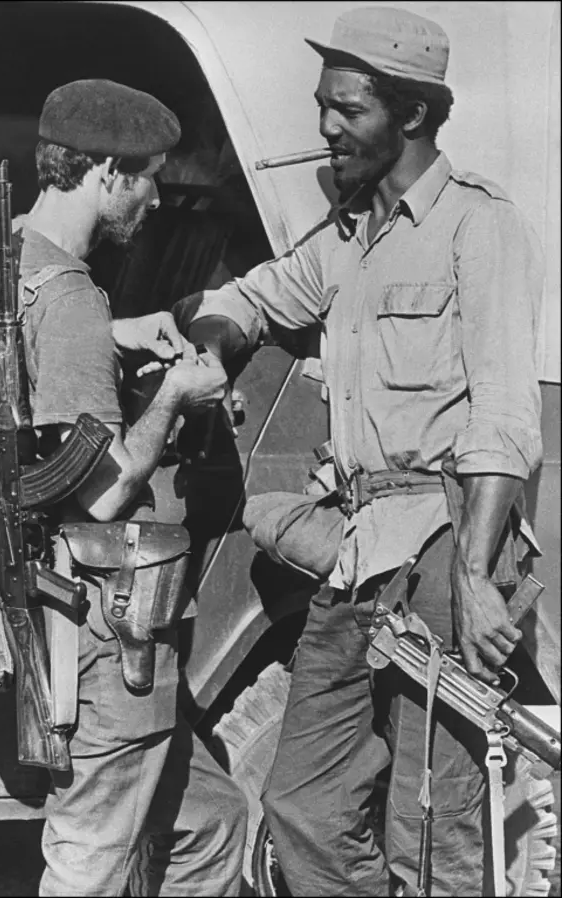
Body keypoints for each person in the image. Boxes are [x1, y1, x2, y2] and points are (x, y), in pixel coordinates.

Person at [170, 7, 544, 897]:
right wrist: (213, 350)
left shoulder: (477, 225)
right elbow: (250, 299)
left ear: (410, 114)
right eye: (321, 106)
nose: (327, 127)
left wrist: (480, 576)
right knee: (301, 806)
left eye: (349, 109)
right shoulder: (345, 235)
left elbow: (502, 412)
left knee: (434, 828)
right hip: (353, 562)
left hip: (444, 551)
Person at [0, 78, 247, 897]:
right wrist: (176, 398)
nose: (156, 196)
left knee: (214, 822)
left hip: (39, 601)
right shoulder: (71, 296)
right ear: (108, 171)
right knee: (88, 856)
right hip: (99, 628)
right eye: (149, 174)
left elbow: (32, 368)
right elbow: (105, 494)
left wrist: (118, 334)